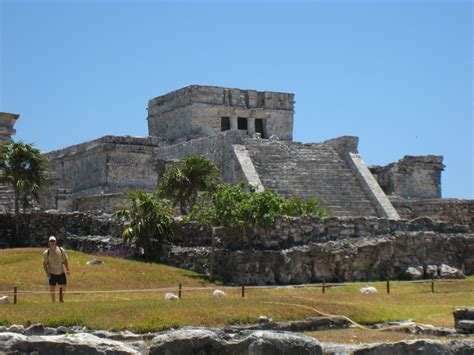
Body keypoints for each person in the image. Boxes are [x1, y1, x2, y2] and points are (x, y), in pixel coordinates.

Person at [43, 236, 71, 302]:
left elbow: (65, 260)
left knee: (64, 286)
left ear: (56, 242)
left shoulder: (61, 250)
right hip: (52, 273)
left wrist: (68, 269)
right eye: (51, 241)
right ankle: (53, 302)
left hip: (61, 271)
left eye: (53, 241)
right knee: (52, 288)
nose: (52, 242)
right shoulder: (46, 253)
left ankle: (61, 300)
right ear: (49, 243)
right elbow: (44, 263)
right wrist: (47, 272)